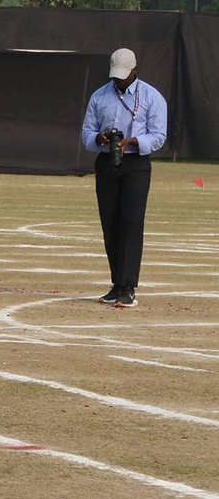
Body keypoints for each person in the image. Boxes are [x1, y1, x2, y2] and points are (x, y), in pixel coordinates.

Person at [81, 47, 168, 308]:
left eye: (123, 75)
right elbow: (87, 133)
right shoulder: (99, 96)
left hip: (136, 164)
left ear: (135, 71)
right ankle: (116, 284)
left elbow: (159, 136)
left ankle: (128, 286)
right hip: (107, 163)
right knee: (110, 223)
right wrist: (99, 138)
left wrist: (132, 141)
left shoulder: (152, 97)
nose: (119, 81)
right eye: (115, 76)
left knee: (131, 222)